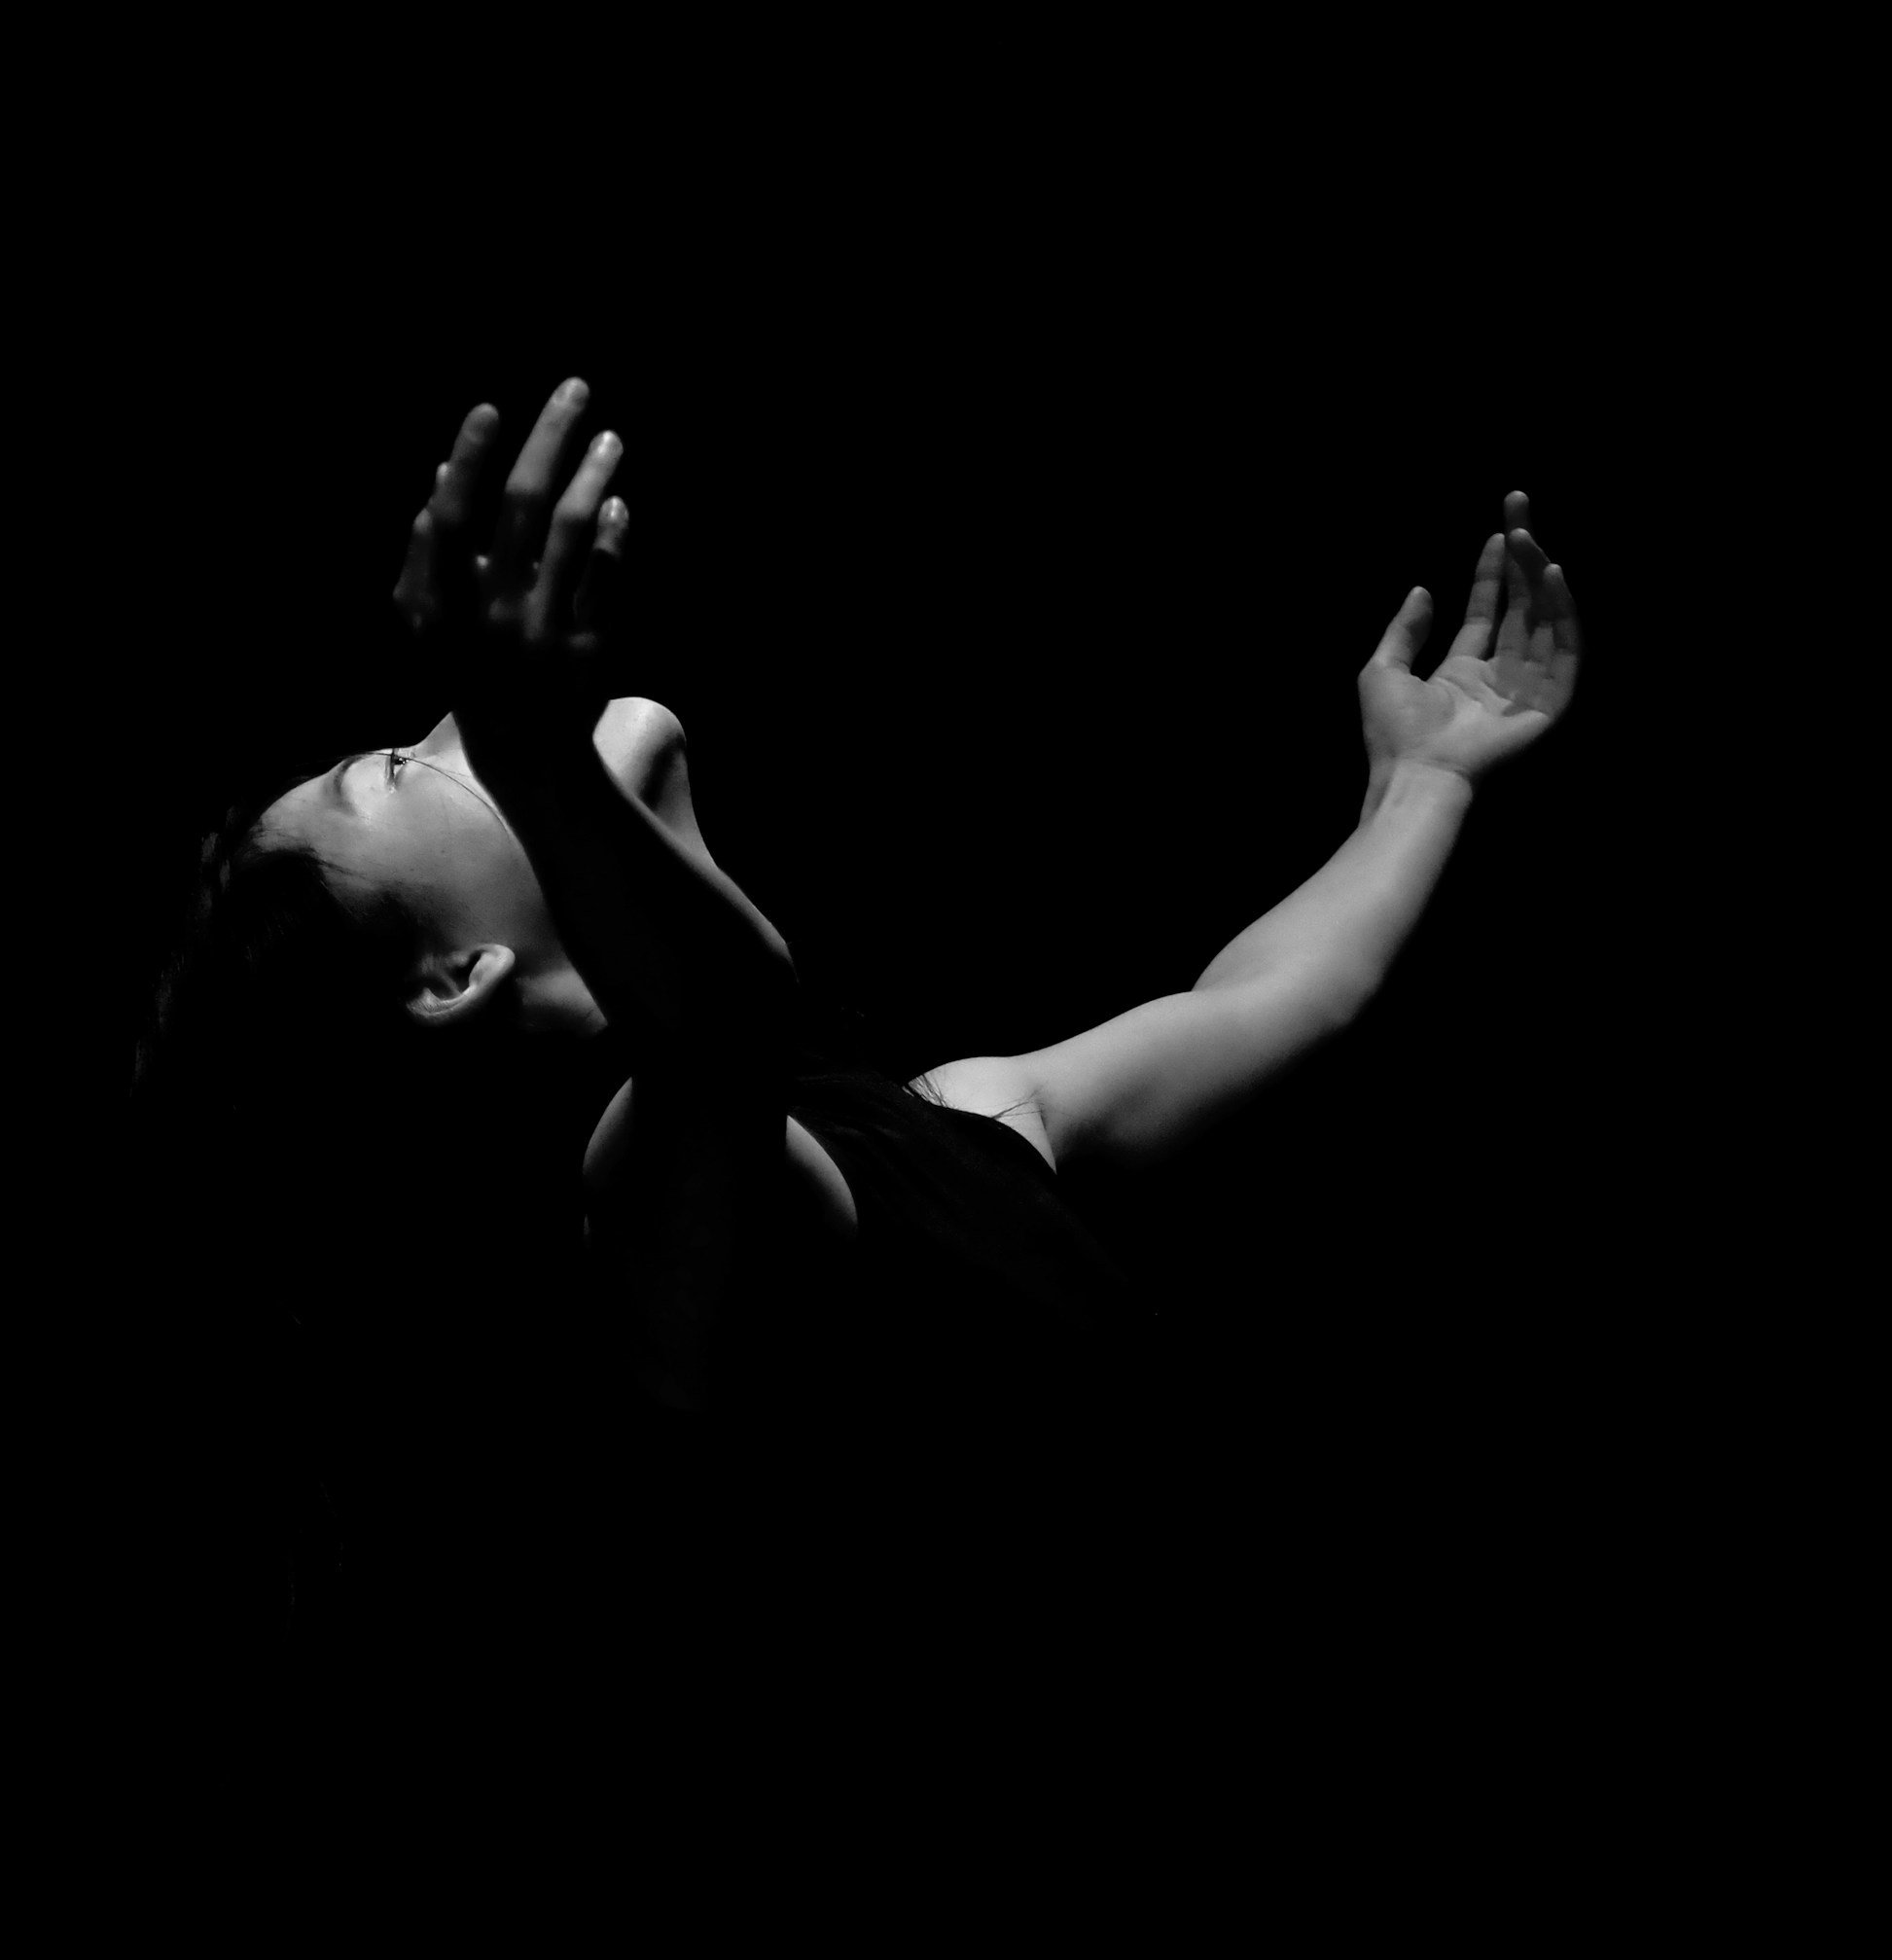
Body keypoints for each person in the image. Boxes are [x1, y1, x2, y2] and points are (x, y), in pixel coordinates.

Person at [128, 376, 1581, 1647]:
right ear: (453, 983)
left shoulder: (937, 1126)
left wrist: (1424, 783)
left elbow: (1268, 997)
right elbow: (711, 1038)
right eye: (399, 761)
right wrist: (532, 759)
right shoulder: (645, 1265)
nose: (453, 720)